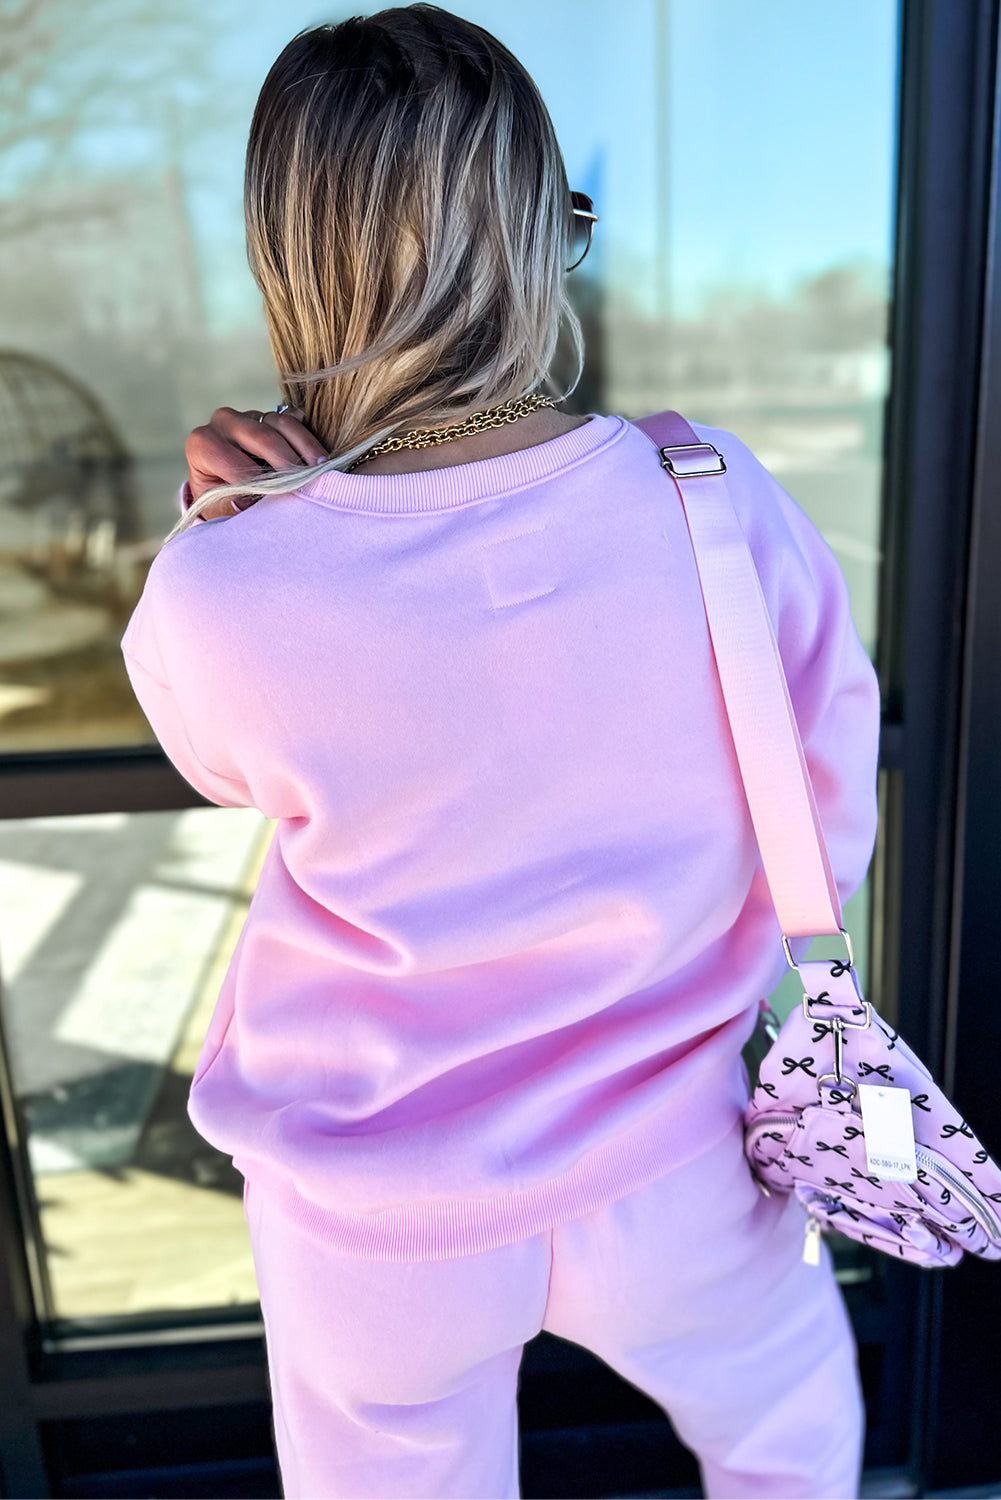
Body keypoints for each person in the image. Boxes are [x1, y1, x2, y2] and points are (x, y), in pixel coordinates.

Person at [120, 6, 880, 1497]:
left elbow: (217, 761)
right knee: (788, 1432)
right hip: (677, 1154)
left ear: (289, 258)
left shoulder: (224, 581)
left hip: (370, 1212)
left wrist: (220, 528)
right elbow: (827, 789)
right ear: (536, 236)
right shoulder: (712, 496)